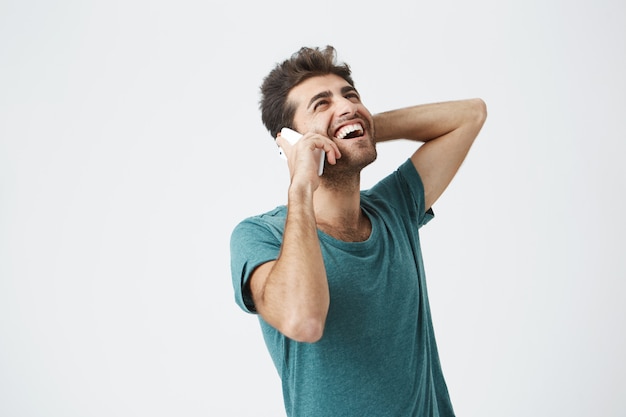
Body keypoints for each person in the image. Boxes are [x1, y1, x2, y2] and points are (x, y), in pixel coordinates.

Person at [230, 45, 487, 417]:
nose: (346, 104)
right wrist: (301, 184)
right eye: (322, 104)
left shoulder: (394, 208)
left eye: (350, 95)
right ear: (289, 140)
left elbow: (470, 114)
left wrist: (356, 127)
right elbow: (303, 320)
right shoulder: (259, 235)